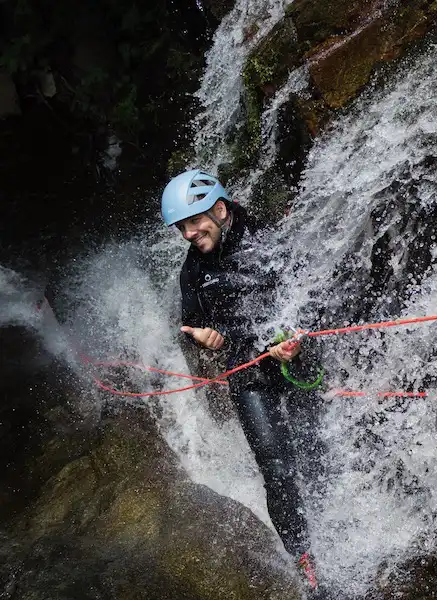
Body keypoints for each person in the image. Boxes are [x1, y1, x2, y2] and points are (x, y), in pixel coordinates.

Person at [161, 169, 322, 591]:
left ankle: (334, 518)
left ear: (219, 209)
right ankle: (305, 560)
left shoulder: (269, 239)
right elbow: (190, 328)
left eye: (194, 222)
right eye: (182, 227)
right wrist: (204, 338)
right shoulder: (192, 272)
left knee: (315, 451)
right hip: (248, 374)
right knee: (276, 467)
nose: (188, 234)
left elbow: (310, 296)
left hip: (297, 364)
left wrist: (297, 339)